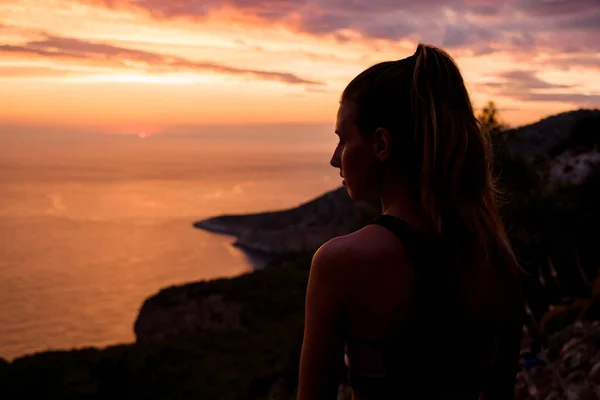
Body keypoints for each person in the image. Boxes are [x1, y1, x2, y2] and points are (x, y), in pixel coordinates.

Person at [297, 43, 524, 399]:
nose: (334, 158)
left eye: (343, 140)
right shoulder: (498, 261)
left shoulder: (339, 263)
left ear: (381, 144)